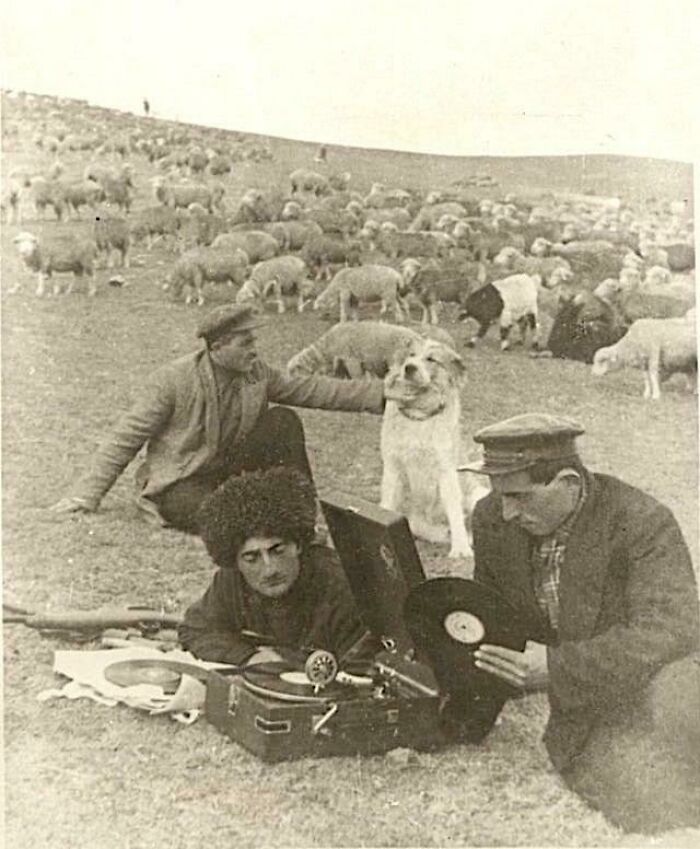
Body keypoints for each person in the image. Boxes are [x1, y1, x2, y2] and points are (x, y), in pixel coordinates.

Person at [461, 412, 700, 834]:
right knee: (643, 786)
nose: (507, 512)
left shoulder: (641, 521)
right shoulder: (492, 518)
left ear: (568, 483)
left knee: (673, 771)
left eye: (519, 497)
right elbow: (493, 609)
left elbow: (672, 629)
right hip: (585, 702)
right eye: (500, 496)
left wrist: (555, 668)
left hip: (652, 679)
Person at [51, 304, 394, 533]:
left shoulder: (253, 373)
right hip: (182, 482)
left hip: (230, 470)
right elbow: (124, 438)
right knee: (223, 518)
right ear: (217, 347)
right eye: (246, 342)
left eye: (254, 341)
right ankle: (259, 515)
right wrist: (86, 495)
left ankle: (300, 516)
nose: (254, 349)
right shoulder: (174, 381)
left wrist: (382, 392)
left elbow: (311, 389)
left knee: (283, 420)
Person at [178, 467, 372, 665]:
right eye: (252, 558)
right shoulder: (231, 580)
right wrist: (250, 657)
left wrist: (284, 663)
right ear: (234, 561)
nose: (270, 569)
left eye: (277, 550)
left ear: (298, 544)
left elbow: (361, 671)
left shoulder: (341, 589)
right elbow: (196, 630)